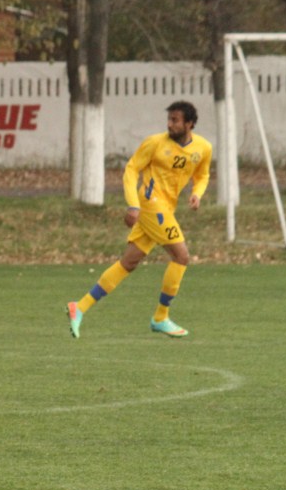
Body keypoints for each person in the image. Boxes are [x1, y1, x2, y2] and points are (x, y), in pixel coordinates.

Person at [67, 101, 212, 339]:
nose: (170, 124)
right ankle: (161, 317)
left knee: (129, 262)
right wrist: (133, 204)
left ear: (190, 124)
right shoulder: (155, 143)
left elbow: (203, 175)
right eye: (169, 119)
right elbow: (131, 169)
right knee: (181, 256)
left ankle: (79, 307)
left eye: (175, 120)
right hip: (151, 205)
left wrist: (197, 193)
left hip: (166, 209)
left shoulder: (203, 148)